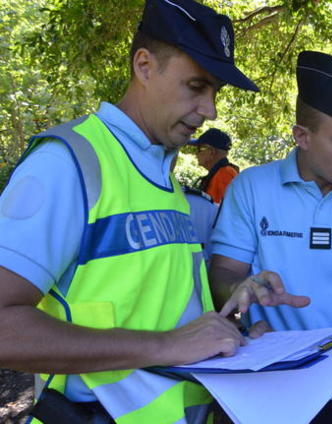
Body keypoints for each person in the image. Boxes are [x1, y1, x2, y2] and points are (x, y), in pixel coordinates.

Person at [0, 1, 308, 423]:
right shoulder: (68, 164)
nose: (211, 111)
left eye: (215, 92)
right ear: (144, 66)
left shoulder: (162, 176)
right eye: (196, 86)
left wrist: (230, 334)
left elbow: (161, 312)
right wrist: (166, 346)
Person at [209, 50, 332, 424]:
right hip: (260, 378)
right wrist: (242, 290)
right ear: (302, 136)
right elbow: (223, 272)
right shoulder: (252, 187)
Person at [193, 128, 239, 203]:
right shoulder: (220, 172)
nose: (196, 153)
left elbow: (227, 208)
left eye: (200, 149)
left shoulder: (225, 174)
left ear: (212, 152)